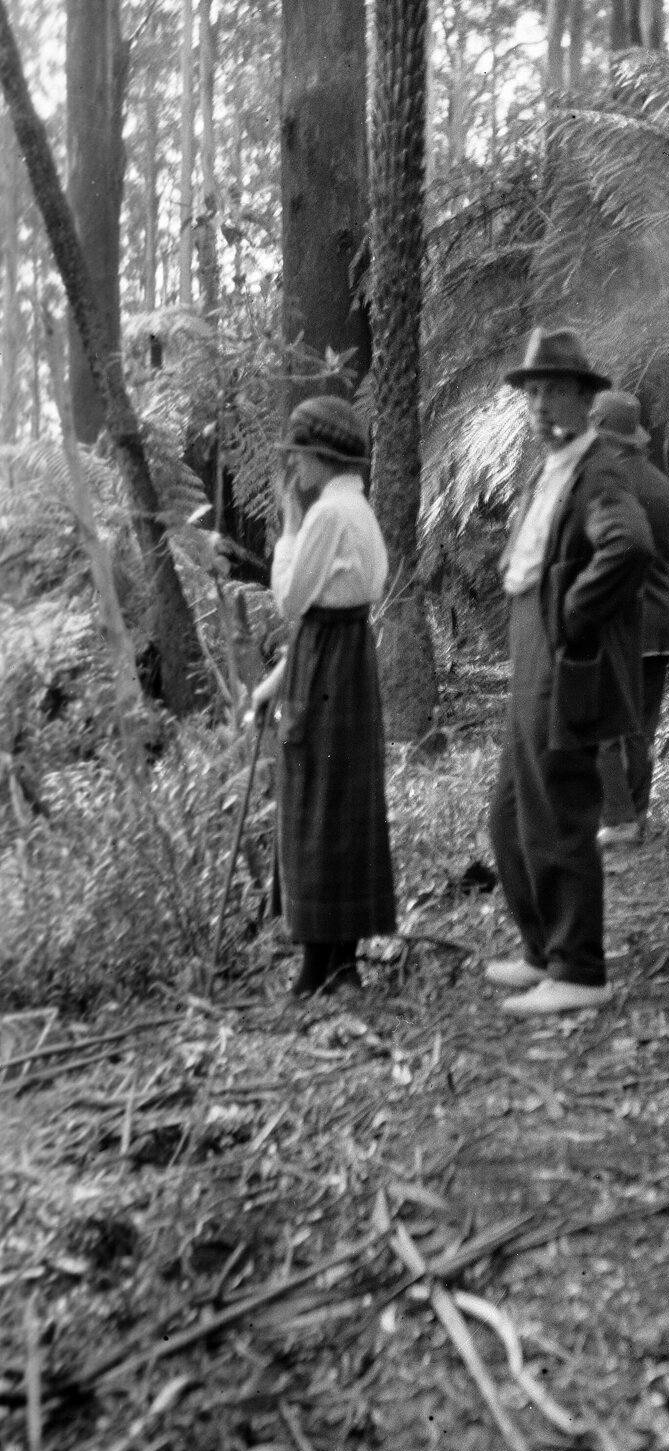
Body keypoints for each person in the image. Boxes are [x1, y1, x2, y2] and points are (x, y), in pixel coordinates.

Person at [486, 327, 655, 1016]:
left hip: (561, 660)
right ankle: (543, 951)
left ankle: (581, 968)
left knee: (559, 811)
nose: (539, 402)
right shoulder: (550, 467)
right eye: (532, 391)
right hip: (533, 653)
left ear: (586, 399)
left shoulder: (600, 471)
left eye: (554, 389)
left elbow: (630, 547)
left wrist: (571, 616)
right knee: (508, 817)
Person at [251, 393, 396, 999]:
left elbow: (291, 602)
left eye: (299, 458)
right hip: (344, 660)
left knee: (314, 801)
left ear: (323, 457)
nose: (295, 471)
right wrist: (272, 683)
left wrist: (287, 524)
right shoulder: (355, 508)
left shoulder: (326, 516)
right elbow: (322, 613)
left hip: (327, 668)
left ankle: (322, 965)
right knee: (339, 804)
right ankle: (338, 961)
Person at [589, 390, 669, 846]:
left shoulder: (608, 484)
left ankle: (618, 818)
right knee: (641, 727)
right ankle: (635, 815)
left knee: (604, 721)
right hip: (663, 618)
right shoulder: (661, 483)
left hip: (623, 620)